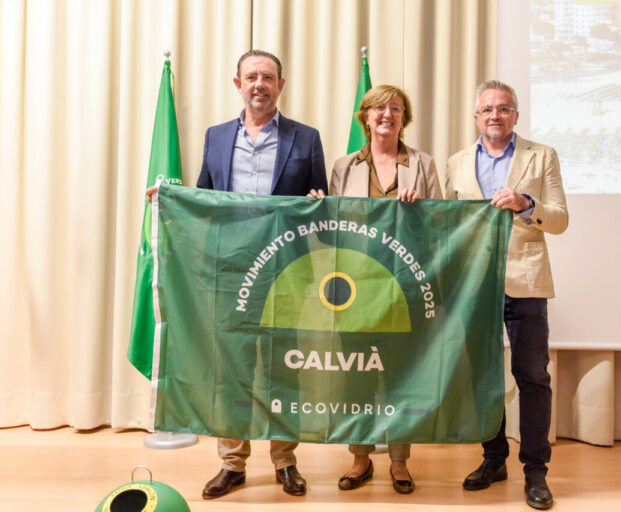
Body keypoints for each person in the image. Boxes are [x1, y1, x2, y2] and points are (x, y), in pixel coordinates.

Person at [149, 49, 327, 499]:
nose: (259, 84)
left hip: (287, 272)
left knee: (285, 370)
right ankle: (232, 463)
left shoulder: (306, 139)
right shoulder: (215, 136)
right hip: (229, 272)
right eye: (252, 77)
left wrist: (316, 198)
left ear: (280, 85)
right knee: (231, 371)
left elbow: (322, 203)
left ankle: (286, 462)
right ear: (237, 84)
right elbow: (205, 202)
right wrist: (169, 199)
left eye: (268, 77)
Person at [310, 84, 442, 494]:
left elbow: (440, 224)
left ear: (405, 118)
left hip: (404, 285)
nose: (388, 114)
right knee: (358, 376)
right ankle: (360, 458)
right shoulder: (344, 166)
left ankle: (400, 462)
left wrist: (419, 206)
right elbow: (332, 229)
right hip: (356, 286)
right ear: (365, 118)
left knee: (400, 374)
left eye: (397, 108)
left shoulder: (422, 163)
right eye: (379, 108)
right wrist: (318, 204)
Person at [444, 80, 568, 510]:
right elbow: (448, 225)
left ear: (516, 115)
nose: (495, 115)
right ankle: (493, 459)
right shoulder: (456, 162)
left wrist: (526, 203)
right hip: (474, 286)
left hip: (526, 282)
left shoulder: (542, 155)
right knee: (482, 378)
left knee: (532, 377)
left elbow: (560, 220)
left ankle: (536, 473)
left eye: (504, 109)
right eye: (487, 110)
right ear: (476, 117)